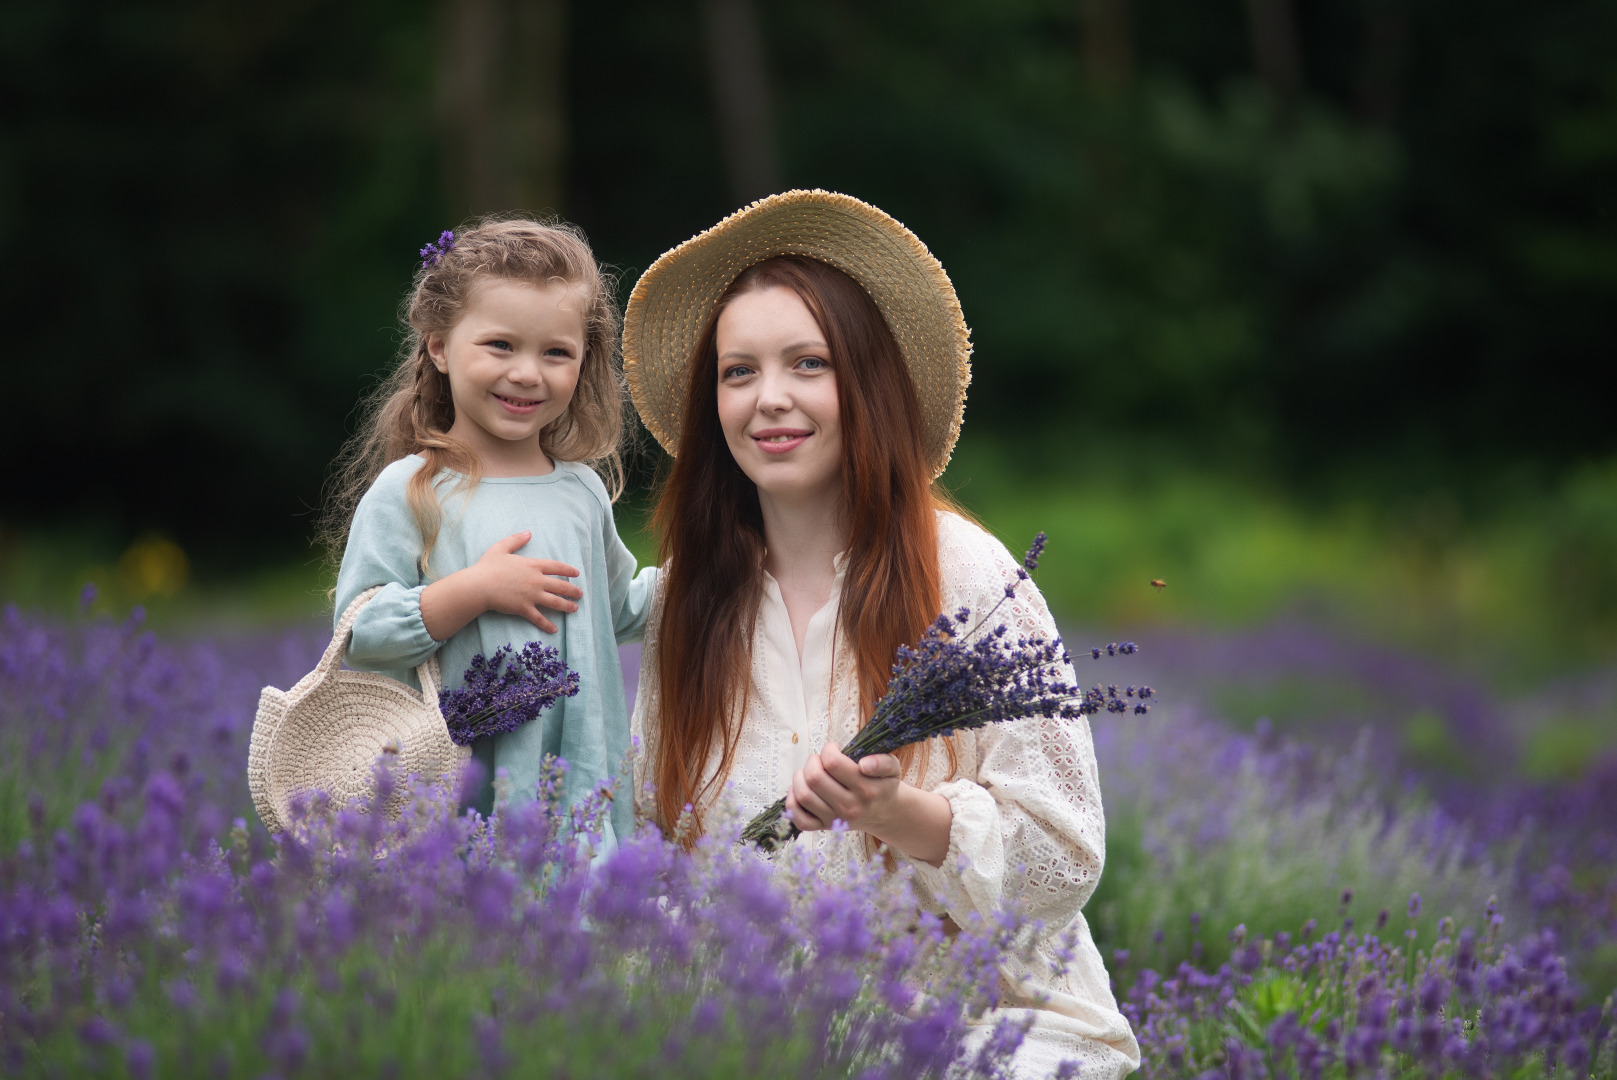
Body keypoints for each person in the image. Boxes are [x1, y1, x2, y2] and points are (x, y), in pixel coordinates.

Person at [622, 191, 1141, 1078]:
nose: (768, 400)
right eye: (737, 372)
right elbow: (659, 854)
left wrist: (898, 813)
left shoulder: (968, 580)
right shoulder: (685, 603)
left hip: (990, 1029)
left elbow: (1063, 858)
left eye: (807, 364)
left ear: (864, 384)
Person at [322, 218, 655, 848]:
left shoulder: (580, 491)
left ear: (583, 365)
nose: (528, 373)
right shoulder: (413, 490)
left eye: (556, 352)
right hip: (463, 783)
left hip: (578, 777)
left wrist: (714, 570)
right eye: (500, 345)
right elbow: (360, 634)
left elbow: (615, 609)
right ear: (440, 346)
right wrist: (475, 591)